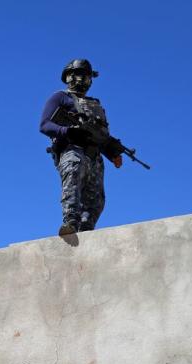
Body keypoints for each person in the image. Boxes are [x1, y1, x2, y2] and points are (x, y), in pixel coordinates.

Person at [40, 59, 124, 235]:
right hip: (73, 150)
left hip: (94, 157)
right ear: (69, 76)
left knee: (97, 200)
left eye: (86, 76)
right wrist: (68, 131)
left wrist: (112, 151)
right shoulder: (60, 97)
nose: (83, 79)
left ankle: (86, 228)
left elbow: (100, 136)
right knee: (73, 180)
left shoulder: (96, 104)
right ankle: (70, 222)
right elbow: (45, 125)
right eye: (79, 75)